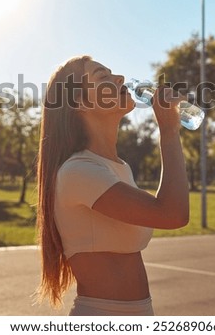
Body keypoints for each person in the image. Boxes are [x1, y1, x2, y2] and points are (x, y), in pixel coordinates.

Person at [36, 55, 189, 316]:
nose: (119, 79)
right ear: (79, 102)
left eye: (113, 73)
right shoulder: (79, 171)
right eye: (102, 77)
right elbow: (172, 213)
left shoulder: (118, 167)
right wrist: (169, 132)